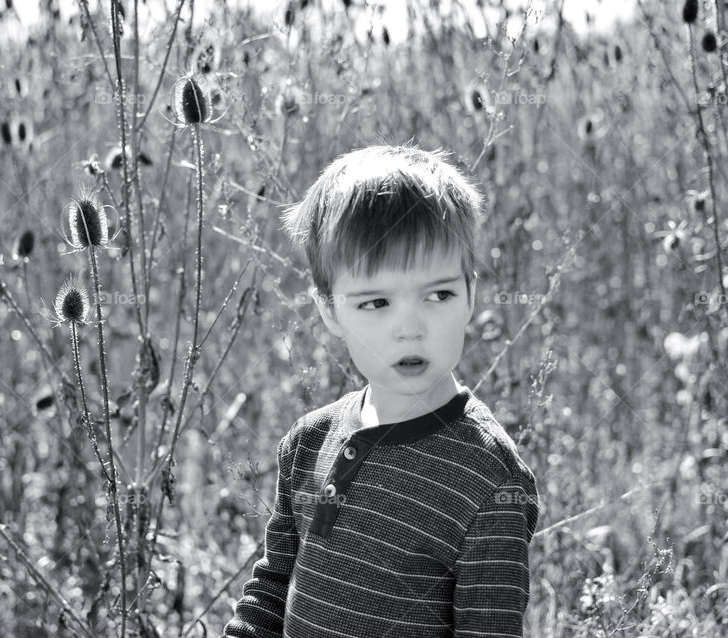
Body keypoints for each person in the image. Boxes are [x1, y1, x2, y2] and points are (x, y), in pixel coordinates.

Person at [223, 144, 540, 637]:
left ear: (471, 294)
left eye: (438, 295)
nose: (410, 328)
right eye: (375, 303)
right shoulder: (309, 441)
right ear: (329, 311)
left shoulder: (488, 479)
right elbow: (272, 589)